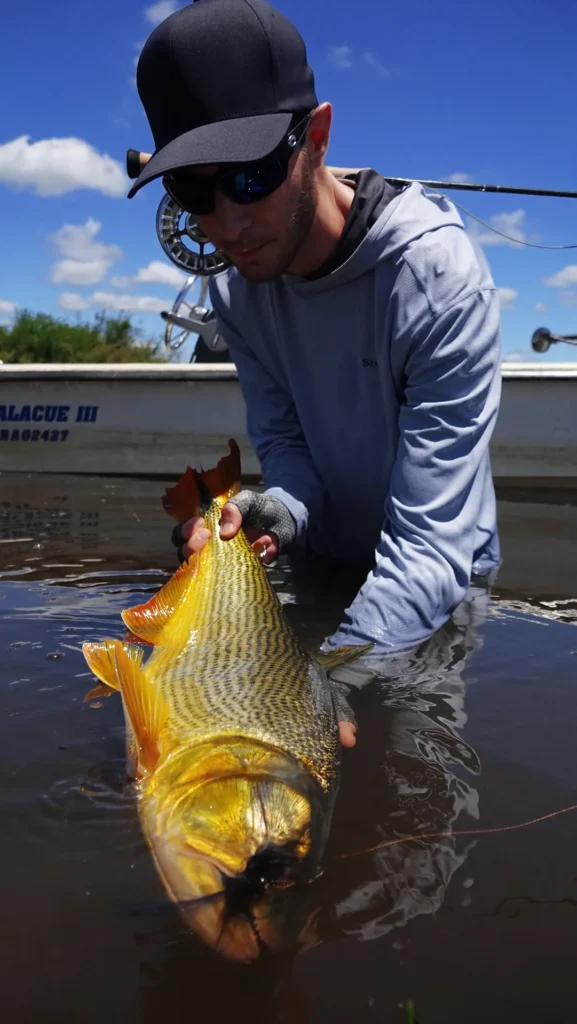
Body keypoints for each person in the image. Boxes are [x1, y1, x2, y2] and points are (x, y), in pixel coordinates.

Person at [128, 0, 502, 748]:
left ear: (317, 137)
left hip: (439, 585)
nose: (225, 224)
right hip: (325, 561)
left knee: (414, 792)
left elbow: (431, 548)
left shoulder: (436, 274)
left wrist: (314, 678)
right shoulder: (234, 289)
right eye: (192, 193)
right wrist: (279, 513)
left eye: (252, 176)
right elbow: (289, 447)